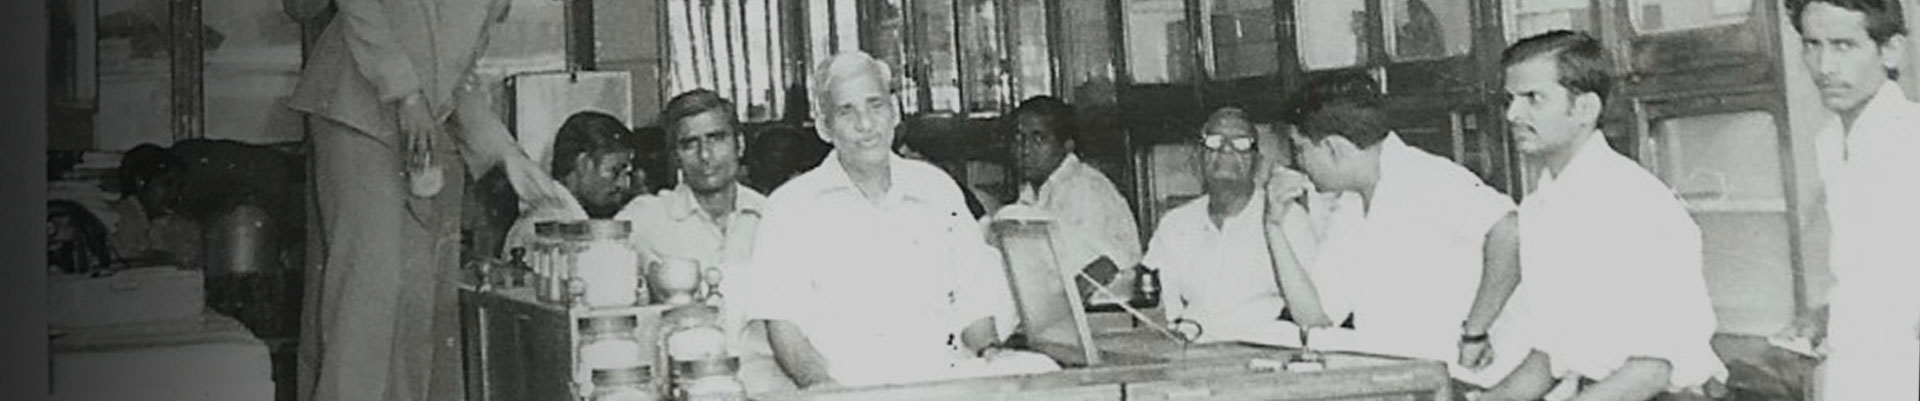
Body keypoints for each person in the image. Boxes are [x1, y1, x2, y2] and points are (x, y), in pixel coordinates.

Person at [284, 0, 569, 399]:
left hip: (426, 130)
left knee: (419, 308)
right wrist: (407, 94)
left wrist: (508, 155)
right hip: (358, 111)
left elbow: (456, 75)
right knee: (367, 303)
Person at [742, 51, 1058, 388]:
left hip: (944, 380)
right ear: (824, 126)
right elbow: (784, 326)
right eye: (847, 111)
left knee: (1043, 371)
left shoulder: (936, 188)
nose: (866, 125)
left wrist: (992, 352)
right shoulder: (791, 207)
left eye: (875, 105)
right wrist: (824, 389)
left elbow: (974, 297)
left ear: (894, 111)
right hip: (850, 386)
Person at [1481, 30, 1725, 401]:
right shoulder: (1541, 207)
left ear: (1585, 109)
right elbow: (1552, 352)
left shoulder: (1636, 205)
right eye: (1510, 100)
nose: (1513, 115)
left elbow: (1652, 369)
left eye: (1533, 99)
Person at [1264, 71, 1525, 388]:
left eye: (1301, 148)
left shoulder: (1425, 177)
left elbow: (1512, 231)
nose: (1299, 162)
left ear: (1333, 148)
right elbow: (1315, 318)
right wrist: (1273, 227)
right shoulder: (1351, 204)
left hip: (1470, 384)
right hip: (1402, 380)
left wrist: (1475, 333)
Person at [1779, 1, 1920, 400]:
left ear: (1891, 50)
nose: (1824, 67)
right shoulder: (1830, 142)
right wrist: (1825, 314)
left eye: (1843, 46)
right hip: (1855, 366)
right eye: (1812, 45)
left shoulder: (1914, 137)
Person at [619, 90, 792, 393]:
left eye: (716, 138)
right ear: (675, 156)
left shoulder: (774, 217)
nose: (705, 156)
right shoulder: (647, 219)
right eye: (690, 144)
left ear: (739, 144)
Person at [1139, 108, 1296, 345]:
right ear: (1198, 156)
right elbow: (1160, 308)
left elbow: (1312, 311)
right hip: (1191, 356)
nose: (1226, 150)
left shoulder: (1287, 217)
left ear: (1257, 159)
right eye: (1215, 141)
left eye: (1241, 143)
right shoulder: (1174, 224)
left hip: (1264, 356)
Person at [999, 96, 1141, 302]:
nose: (1025, 150)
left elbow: (1106, 265)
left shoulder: (1084, 188)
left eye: (1038, 139)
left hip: (1100, 316)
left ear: (1067, 145)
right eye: (1018, 138)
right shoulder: (1032, 193)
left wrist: (1060, 305)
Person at [500, 111, 642, 255]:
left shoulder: (562, 217)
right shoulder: (550, 230)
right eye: (615, 171)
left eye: (627, 174)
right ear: (582, 163)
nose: (623, 184)